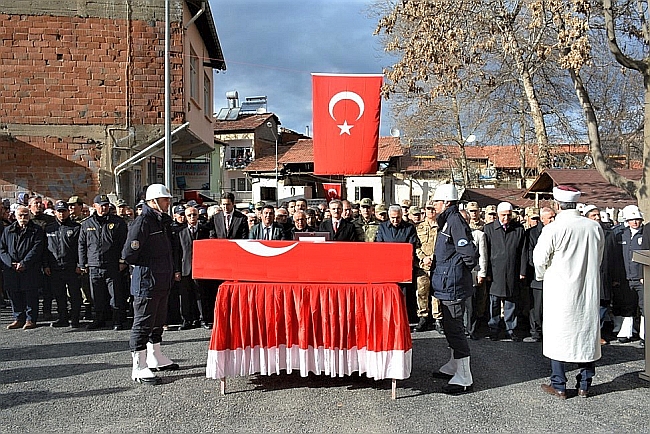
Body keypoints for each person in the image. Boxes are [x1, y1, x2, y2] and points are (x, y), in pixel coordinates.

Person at [533, 185, 604, 399]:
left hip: (560, 291)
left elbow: (539, 260)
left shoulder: (553, 229)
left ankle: (559, 385)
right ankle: (584, 384)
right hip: (587, 289)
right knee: (586, 334)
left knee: (559, 336)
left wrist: (543, 276)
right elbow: (598, 258)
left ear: (557, 205)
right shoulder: (593, 227)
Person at [123, 183, 179, 384]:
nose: (168, 202)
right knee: (143, 323)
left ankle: (155, 356)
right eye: (165, 199)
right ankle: (138, 366)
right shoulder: (143, 222)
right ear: (153, 201)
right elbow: (129, 254)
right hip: (147, 282)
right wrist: (149, 266)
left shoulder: (161, 221)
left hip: (161, 281)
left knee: (158, 321)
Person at [430, 184, 478, 394]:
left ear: (446, 202)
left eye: (437, 202)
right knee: (449, 326)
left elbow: (469, 254)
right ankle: (453, 365)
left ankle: (464, 376)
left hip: (452, 285)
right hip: (446, 283)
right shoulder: (448, 220)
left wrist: (456, 272)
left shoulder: (455, 221)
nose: (434, 205)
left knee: (456, 329)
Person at [78, 194, 128, 330]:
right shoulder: (87, 223)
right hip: (94, 265)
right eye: (101, 205)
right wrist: (83, 264)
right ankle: (99, 319)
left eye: (106, 205)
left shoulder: (118, 222)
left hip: (112, 265)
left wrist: (123, 261)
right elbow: (82, 245)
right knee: (97, 295)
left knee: (116, 295)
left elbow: (124, 243)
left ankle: (117, 320)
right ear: (94, 206)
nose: (104, 208)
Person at [484, 202, 527, 341]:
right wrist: (487, 272)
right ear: (497, 215)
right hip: (495, 272)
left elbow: (523, 252)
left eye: (509, 215)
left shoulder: (518, 229)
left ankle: (511, 328)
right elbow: (486, 252)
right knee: (494, 302)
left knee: (511, 301)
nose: (506, 218)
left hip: (512, 271)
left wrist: (522, 271)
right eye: (503, 215)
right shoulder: (489, 229)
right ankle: (494, 328)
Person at [1, 205, 44, 330]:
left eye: (26, 215)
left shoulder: (36, 230)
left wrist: (24, 263)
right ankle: (18, 318)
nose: (23, 217)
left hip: (29, 269)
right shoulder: (8, 230)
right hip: (11, 269)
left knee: (30, 295)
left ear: (29, 216)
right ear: (15, 216)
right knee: (14, 294)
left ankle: (31, 319)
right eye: (20, 215)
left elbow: (37, 249)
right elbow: (2, 248)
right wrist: (10, 263)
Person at [44, 201, 82, 328]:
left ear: (68, 211)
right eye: (59, 211)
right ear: (55, 212)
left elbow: (80, 248)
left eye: (64, 211)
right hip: (55, 267)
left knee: (75, 295)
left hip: (71, 267)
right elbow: (45, 249)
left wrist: (79, 264)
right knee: (59, 295)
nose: (61, 214)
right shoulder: (49, 228)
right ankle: (63, 318)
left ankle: (75, 319)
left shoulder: (76, 227)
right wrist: (46, 265)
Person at [173, 206, 210, 330]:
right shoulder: (181, 232)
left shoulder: (205, 230)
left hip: (201, 268)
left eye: (194, 215)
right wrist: (177, 270)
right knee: (185, 296)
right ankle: (187, 320)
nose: (192, 217)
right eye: (189, 215)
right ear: (186, 217)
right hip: (185, 268)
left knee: (201, 294)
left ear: (198, 215)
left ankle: (203, 319)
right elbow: (177, 253)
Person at [523, 206, 556, 343]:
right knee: (537, 307)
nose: (553, 220)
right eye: (550, 218)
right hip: (538, 275)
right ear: (542, 219)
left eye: (554, 217)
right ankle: (536, 331)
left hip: (555, 276)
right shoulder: (532, 233)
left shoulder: (558, 231)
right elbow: (529, 254)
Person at [616, 204, 645, 344]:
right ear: (626, 221)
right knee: (627, 305)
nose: (635, 222)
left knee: (644, 306)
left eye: (637, 219)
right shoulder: (621, 234)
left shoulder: (646, 234)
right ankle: (626, 332)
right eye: (632, 220)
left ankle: (645, 335)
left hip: (642, 278)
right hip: (626, 277)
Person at [460, 209, 488, 340]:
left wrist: (482, 273)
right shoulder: (453, 235)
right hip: (457, 274)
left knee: (471, 304)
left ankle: (471, 329)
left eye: (466, 220)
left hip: (472, 274)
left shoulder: (478, 235)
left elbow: (482, 255)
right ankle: (460, 329)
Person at [414, 200, 440, 332]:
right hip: (422, 266)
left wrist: (434, 257)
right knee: (422, 292)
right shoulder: (418, 227)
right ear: (425, 210)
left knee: (436, 293)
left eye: (433, 209)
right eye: (429, 209)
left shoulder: (442, 227)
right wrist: (423, 257)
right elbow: (415, 245)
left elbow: (443, 246)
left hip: (437, 264)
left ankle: (437, 318)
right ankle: (423, 317)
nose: (431, 211)